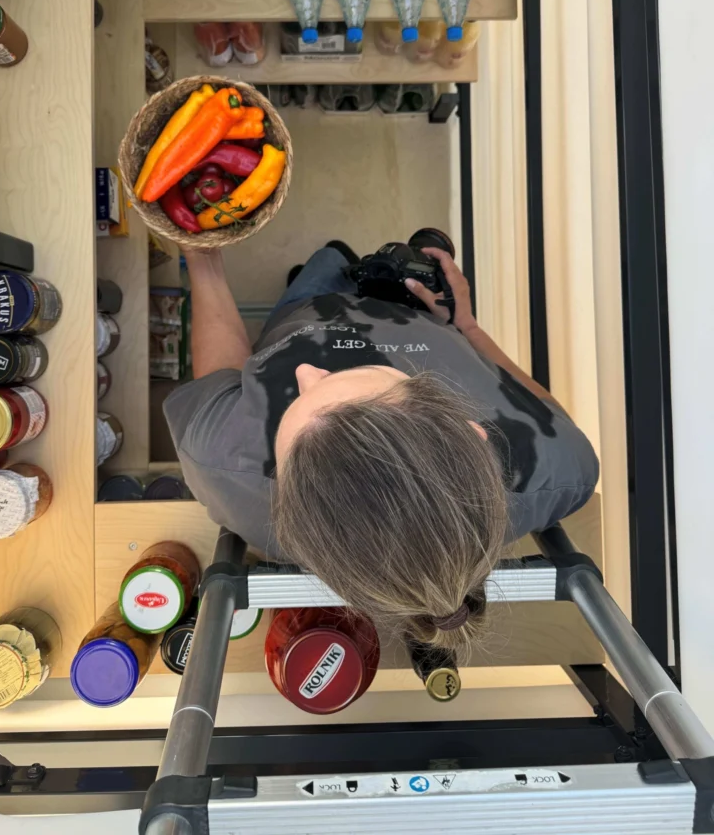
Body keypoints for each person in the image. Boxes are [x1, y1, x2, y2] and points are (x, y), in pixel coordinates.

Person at [164, 241, 599, 655]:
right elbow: (544, 412)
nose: (305, 371)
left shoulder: (220, 457)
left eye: (294, 405)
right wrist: (466, 327)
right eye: (352, 374)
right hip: (419, 312)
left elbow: (222, 377)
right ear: (472, 432)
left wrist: (203, 258)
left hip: (308, 308)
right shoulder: (554, 470)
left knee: (327, 259)